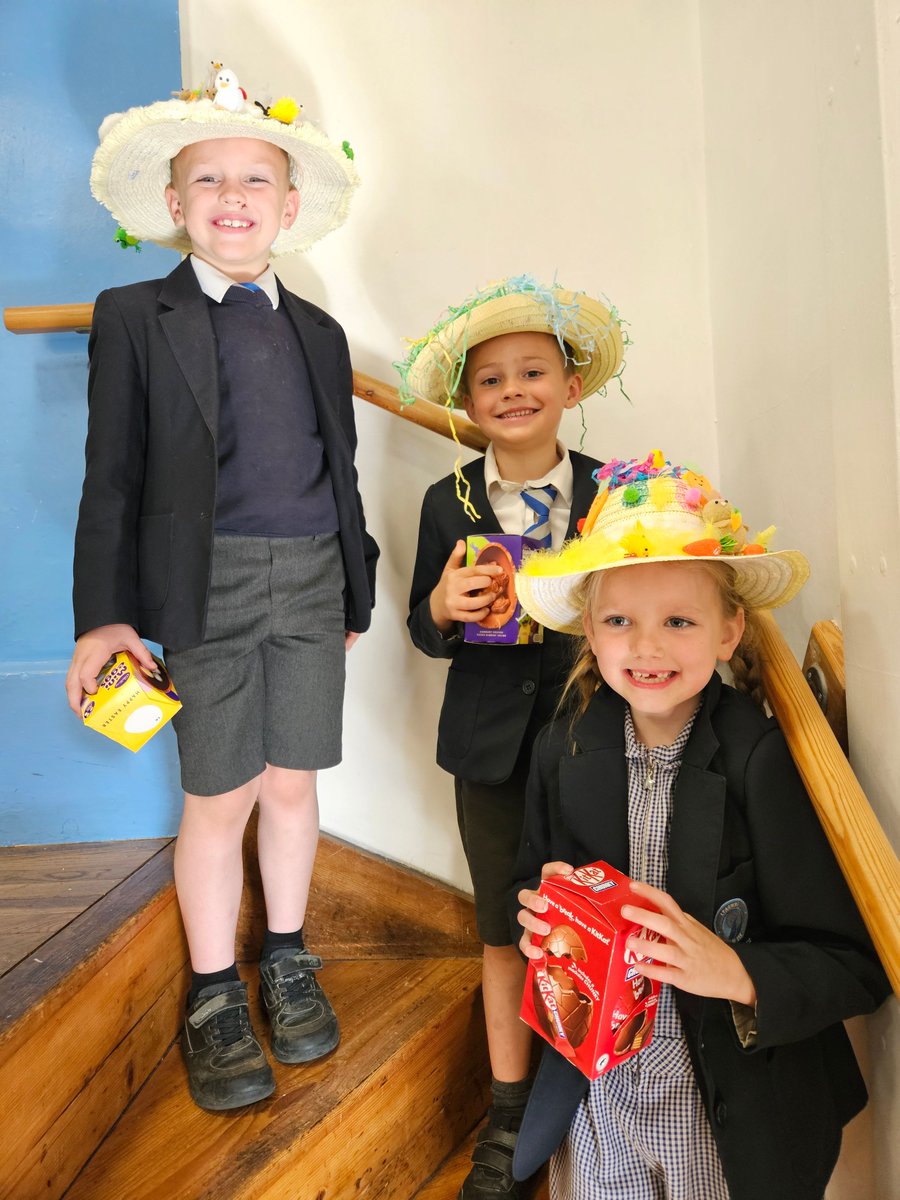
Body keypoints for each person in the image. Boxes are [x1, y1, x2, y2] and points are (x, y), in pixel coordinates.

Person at [64, 66, 379, 1112]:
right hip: (205, 587)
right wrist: (105, 616)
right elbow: (111, 473)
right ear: (175, 203)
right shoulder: (135, 315)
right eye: (210, 181)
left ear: (289, 208)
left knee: (294, 782)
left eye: (255, 179)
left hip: (316, 580)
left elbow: (341, 464)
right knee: (220, 793)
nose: (233, 196)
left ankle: (285, 956)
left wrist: (353, 590)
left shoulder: (321, 331)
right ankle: (211, 991)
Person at [512, 451, 890, 1200]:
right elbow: (532, 872)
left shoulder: (759, 761)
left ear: (727, 632)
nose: (646, 647)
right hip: (602, 1104)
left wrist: (738, 972)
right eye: (620, 621)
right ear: (590, 630)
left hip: (722, 1113)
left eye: (678, 620)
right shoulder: (566, 743)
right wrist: (539, 907)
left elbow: (852, 962)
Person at [401, 277, 626, 1199]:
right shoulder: (446, 498)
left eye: (534, 371)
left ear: (572, 386)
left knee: (600, 921)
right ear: (465, 405)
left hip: (594, 740)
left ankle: (604, 1086)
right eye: (490, 380)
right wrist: (443, 609)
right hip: (488, 752)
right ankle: (506, 1111)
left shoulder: (617, 491)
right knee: (504, 930)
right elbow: (422, 626)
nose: (513, 390)